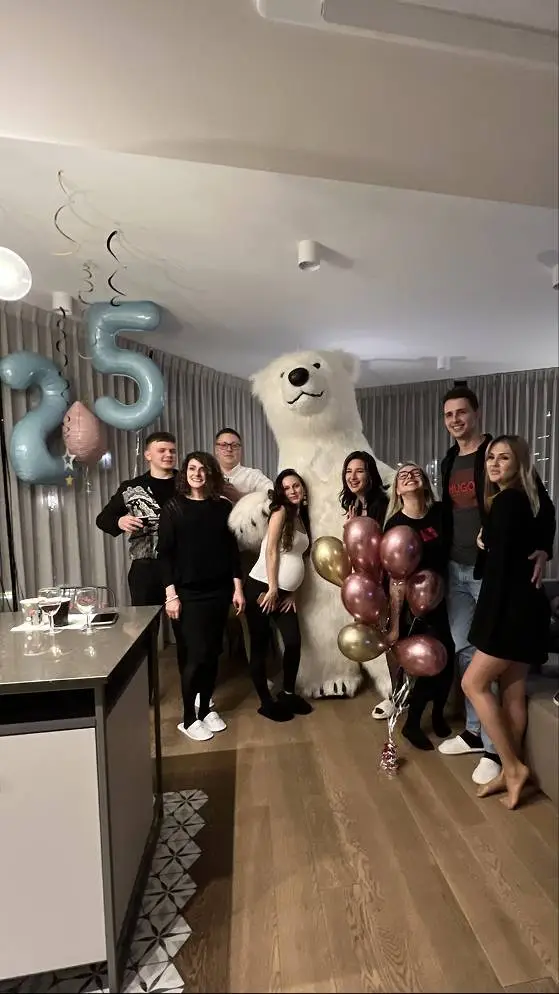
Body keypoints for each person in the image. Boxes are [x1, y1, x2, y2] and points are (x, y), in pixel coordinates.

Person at [437, 387, 555, 785]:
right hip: (457, 569)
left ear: (476, 414)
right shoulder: (450, 460)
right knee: (466, 652)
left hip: (491, 578)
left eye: (462, 412)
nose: (455, 420)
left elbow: (545, 506)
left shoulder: (503, 460)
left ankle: (495, 751)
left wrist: (542, 549)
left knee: (482, 665)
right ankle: (477, 736)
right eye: (449, 414)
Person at [461, 436, 552, 809]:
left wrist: (486, 625)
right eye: (491, 458)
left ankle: (513, 768)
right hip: (527, 609)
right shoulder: (525, 499)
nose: (495, 464)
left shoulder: (508, 501)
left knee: (473, 683)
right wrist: (488, 544)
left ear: (520, 463)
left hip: (511, 612)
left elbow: (498, 576)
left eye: (504, 457)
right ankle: (508, 770)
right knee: (512, 690)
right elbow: (514, 550)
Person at [158, 452, 244, 742]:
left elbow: (232, 553)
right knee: (194, 657)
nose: (198, 473)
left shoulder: (222, 507)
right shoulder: (172, 508)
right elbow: (165, 556)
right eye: (192, 468)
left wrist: (238, 588)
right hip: (187, 594)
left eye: (203, 469)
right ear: (185, 473)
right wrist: (171, 595)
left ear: (211, 474)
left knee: (211, 654)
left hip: (218, 592)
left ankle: (205, 708)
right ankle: (187, 718)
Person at [383, 463, 455, 749]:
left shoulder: (440, 514)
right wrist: (396, 624)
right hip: (417, 607)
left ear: (424, 483)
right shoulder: (396, 525)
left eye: (416, 473)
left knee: (449, 661)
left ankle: (438, 714)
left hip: (447, 598)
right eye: (403, 476)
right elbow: (395, 579)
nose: (409, 477)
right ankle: (412, 724)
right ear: (398, 491)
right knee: (429, 663)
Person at [244, 469, 313, 722]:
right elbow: (271, 551)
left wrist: (292, 591)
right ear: (280, 492)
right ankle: (265, 701)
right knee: (260, 646)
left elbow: (299, 557)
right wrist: (273, 588)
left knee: (293, 642)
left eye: (296, 485)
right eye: (286, 488)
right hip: (262, 588)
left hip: (284, 594)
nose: (293, 491)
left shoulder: (301, 516)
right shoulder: (280, 512)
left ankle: (287, 692)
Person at [96, 431, 178, 607]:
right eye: (162, 450)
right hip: (146, 569)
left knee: (186, 629)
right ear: (148, 455)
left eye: (172, 451)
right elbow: (102, 519)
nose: (168, 455)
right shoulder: (132, 487)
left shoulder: (186, 484)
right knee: (146, 628)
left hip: (182, 567)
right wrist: (120, 521)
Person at [214, 428, 273, 502]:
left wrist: (240, 496)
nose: (229, 449)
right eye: (223, 445)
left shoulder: (254, 475)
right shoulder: (205, 475)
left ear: (240, 450)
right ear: (216, 450)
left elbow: (273, 495)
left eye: (234, 445)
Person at [340, 450, 389, 526]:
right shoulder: (355, 505)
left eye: (359, 471)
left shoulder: (381, 504)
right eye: (349, 471)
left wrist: (352, 528)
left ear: (370, 475)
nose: (352, 477)